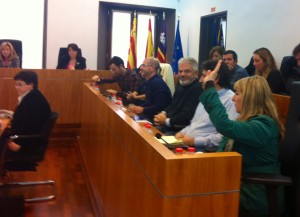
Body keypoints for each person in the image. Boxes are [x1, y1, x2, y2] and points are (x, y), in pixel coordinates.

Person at [200, 61, 284, 217]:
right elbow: (222, 152)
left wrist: (210, 86)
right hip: (236, 186)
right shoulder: (244, 122)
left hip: (254, 194)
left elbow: (223, 125)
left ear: (251, 98)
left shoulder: (264, 125)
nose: (233, 99)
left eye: (237, 93)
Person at [175, 60, 238, 152]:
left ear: (215, 79)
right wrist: (181, 132)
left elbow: (224, 137)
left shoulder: (231, 100)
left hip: (204, 149)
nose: (200, 80)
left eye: (204, 76)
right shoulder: (206, 95)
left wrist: (195, 141)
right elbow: (194, 123)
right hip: (186, 142)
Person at [0, 71, 51, 172]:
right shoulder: (33, 96)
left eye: (20, 84)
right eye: (16, 84)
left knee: (2, 137)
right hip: (22, 136)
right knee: (3, 133)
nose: (17, 87)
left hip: (24, 142)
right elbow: (25, 121)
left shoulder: (32, 100)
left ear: (31, 85)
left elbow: (31, 128)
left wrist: (14, 141)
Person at [154, 57, 202, 134]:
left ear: (196, 73)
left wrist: (166, 121)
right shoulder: (181, 83)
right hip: (170, 123)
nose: (182, 74)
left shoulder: (198, 88)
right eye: (180, 71)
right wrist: (163, 113)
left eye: (187, 71)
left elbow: (187, 116)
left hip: (182, 129)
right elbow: (172, 105)